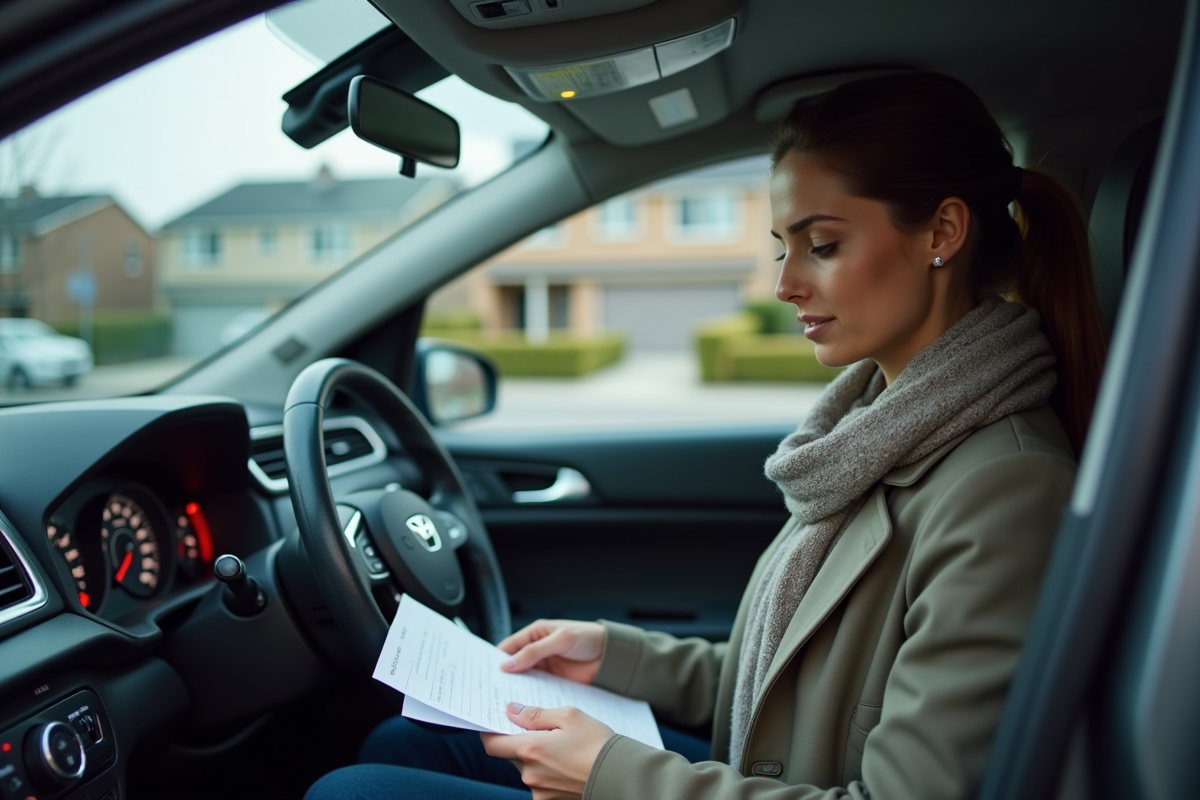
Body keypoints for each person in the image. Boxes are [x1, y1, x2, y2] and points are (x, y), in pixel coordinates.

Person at [305, 72, 1106, 800]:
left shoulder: (1004, 486)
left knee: (352, 794)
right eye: (782, 246)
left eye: (822, 245)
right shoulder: (873, 432)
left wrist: (611, 778)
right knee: (404, 739)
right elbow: (785, 676)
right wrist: (611, 655)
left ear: (942, 233)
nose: (787, 283)